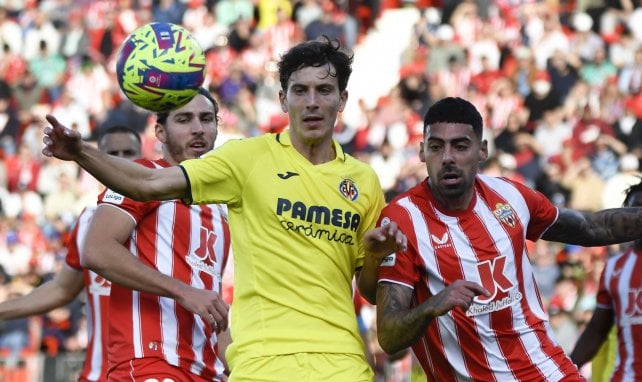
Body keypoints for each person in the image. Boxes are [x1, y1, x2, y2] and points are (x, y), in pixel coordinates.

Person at [42, 38, 404, 381]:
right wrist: (82, 153)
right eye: (300, 90)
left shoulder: (364, 181)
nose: (312, 101)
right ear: (282, 99)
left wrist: (375, 255)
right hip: (262, 363)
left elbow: (370, 290)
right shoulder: (246, 158)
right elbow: (146, 185)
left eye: (324, 91)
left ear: (342, 100)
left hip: (343, 363)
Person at [371, 96, 642, 381]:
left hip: (547, 372)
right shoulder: (403, 219)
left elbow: (589, 227)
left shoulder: (511, 196)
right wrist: (432, 306)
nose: (448, 157)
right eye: (436, 147)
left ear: (482, 150)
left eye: (460, 146)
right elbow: (389, 336)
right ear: (422, 152)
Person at [80, 88, 231, 381]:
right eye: (184, 119)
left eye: (207, 119)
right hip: (150, 362)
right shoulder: (143, 176)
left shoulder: (220, 207)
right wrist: (183, 291)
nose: (198, 129)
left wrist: (234, 366)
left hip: (205, 370)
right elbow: (96, 250)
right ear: (160, 132)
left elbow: (211, 305)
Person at [0, 125, 142, 381]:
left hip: (154, 373)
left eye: (129, 152)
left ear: (144, 159)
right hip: (98, 375)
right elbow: (61, 290)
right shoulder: (88, 221)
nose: (121, 160)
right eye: (111, 153)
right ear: (95, 163)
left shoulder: (169, 220)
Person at [570, 178, 642, 381]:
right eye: (633, 209)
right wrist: (563, 370)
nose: (638, 216)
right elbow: (596, 331)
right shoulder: (614, 269)